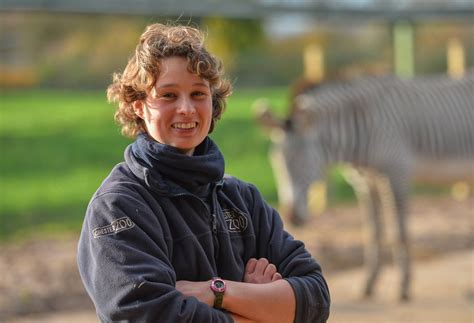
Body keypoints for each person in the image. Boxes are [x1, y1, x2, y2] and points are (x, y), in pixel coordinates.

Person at [77, 22, 330, 323]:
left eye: (198, 93)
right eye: (168, 95)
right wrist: (261, 308)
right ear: (139, 107)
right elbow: (150, 315)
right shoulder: (116, 207)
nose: (186, 108)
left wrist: (218, 292)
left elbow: (315, 299)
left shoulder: (243, 200)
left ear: (214, 101)